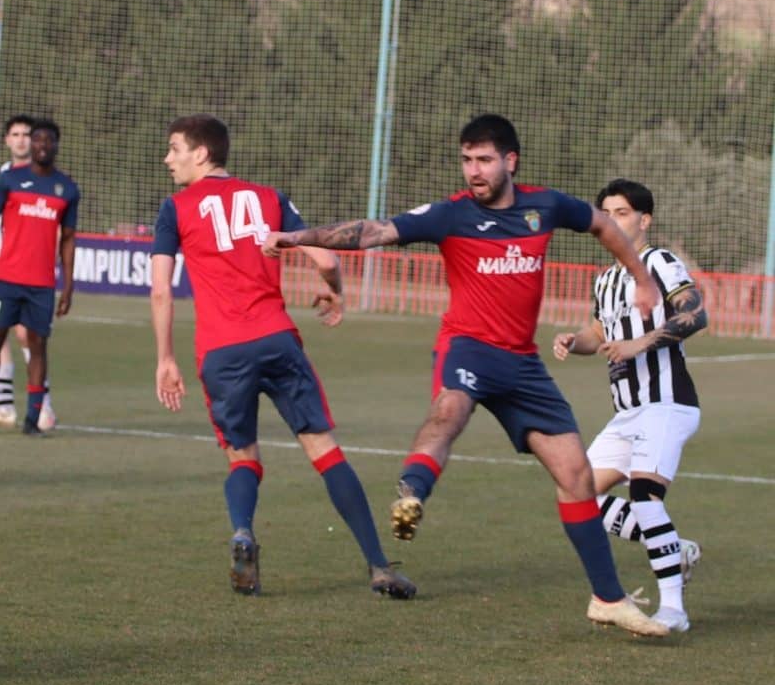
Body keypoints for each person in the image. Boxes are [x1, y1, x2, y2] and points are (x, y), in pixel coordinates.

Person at [262, 114, 669, 636]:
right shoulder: (448, 215)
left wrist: (640, 278)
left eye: (483, 160)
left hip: (522, 364)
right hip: (469, 349)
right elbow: (371, 232)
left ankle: (606, 598)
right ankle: (412, 490)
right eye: (466, 160)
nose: (473, 171)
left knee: (576, 476)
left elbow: (604, 225)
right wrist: (299, 237)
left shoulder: (544, 206)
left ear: (509, 162)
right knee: (449, 410)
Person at [151, 114, 415, 600]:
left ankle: (243, 533)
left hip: (222, 349)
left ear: (202, 154)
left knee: (242, 458)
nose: (168, 159)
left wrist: (165, 358)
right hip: (277, 339)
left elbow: (162, 291)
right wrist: (333, 294)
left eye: (174, 148)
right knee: (325, 451)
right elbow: (327, 258)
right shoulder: (270, 198)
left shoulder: (175, 208)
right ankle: (379, 565)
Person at [553, 179, 705, 632]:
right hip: (627, 414)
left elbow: (695, 312)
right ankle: (674, 548)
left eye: (622, 212)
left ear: (644, 219)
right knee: (581, 493)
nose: (613, 220)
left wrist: (642, 342)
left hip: (667, 403)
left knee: (645, 498)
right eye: (607, 213)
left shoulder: (659, 263)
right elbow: (598, 334)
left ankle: (674, 611)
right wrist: (573, 341)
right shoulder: (606, 280)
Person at [0, 118, 78, 436]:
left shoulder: (67, 188)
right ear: (31, 145)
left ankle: (33, 419)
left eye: (49, 141)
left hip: (42, 282)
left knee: (37, 345)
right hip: (5, 276)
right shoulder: (9, 180)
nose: (42, 146)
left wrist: (68, 285)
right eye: (38, 140)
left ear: (56, 146)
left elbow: (68, 238)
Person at [0, 114, 56, 431]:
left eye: (27, 134)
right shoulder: (0, 175)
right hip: (2, 265)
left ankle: (44, 407)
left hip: (32, 270)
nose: (22, 139)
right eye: (15, 134)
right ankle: (5, 407)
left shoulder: (49, 178)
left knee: (29, 335)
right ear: (7, 141)